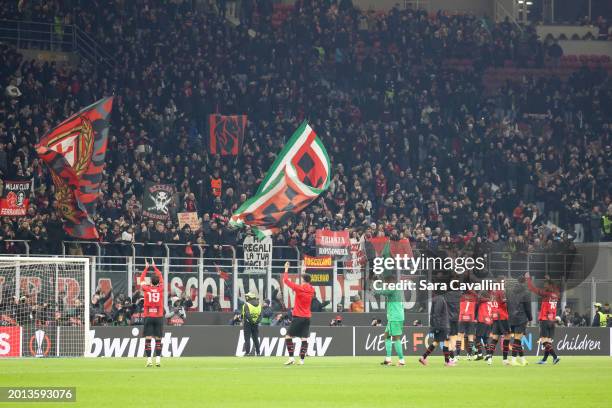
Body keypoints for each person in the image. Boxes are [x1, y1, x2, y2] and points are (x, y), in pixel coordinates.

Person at [282, 261, 314, 366]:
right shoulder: (312, 290)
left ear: (303, 280)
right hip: (307, 317)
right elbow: (306, 283)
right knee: (304, 338)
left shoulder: (299, 288)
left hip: (298, 317)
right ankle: (302, 360)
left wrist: (286, 269)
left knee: (288, 336)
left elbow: (286, 280)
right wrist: (304, 270)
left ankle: (291, 358)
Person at [525, 272, 561, 365]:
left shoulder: (546, 294)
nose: (544, 285)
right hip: (552, 320)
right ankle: (544, 360)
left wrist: (528, 279)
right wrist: (549, 280)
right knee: (548, 341)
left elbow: (532, 288)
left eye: (545, 284)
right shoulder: (556, 294)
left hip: (545, 319)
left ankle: (555, 357)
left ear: (549, 286)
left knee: (544, 341)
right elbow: (554, 286)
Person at [372, 274, 405, 366]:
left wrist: (374, 287)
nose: (386, 284)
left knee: (396, 338)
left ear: (391, 282)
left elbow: (381, 292)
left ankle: (402, 361)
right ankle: (388, 359)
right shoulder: (397, 288)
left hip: (395, 317)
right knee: (386, 335)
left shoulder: (393, 289)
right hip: (395, 317)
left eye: (386, 283)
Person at [419, 289, 455, 367]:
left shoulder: (436, 299)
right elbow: (436, 313)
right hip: (442, 325)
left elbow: (434, 313)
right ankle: (447, 361)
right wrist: (438, 326)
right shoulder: (440, 299)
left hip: (439, 324)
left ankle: (423, 357)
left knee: (436, 342)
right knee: (446, 341)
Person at [139, 259, 164, 367]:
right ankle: (158, 360)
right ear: (158, 282)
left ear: (150, 282)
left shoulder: (146, 288)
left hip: (148, 316)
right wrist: (155, 267)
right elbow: (161, 276)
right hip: (158, 316)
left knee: (148, 338)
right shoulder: (161, 288)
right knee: (158, 338)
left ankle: (149, 360)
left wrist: (146, 268)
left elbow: (141, 279)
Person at [507, 277, 532, 366]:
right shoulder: (526, 293)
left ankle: (523, 359)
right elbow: (528, 308)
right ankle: (513, 360)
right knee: (517, 339)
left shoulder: (510, 291)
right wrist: (530, 318)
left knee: (518, 339)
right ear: (525, 282)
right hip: (521, 317)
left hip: (512, 318)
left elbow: (508, 304)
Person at [486, 276, 511, 365]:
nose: (505, 283)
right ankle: (504, 359)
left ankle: (489, 357)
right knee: (507, 336)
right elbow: (505, 302)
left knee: (495, 338)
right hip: (502, 316)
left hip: (495, 316)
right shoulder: (501, 291)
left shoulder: (493, 292)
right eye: (504, 281)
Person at [456, 289, 478, 360]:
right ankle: (469, 355)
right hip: (471, 318)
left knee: (459, 336)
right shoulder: (474, 297)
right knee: (470, 338)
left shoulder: (461, 297)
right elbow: (477, 296)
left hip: (462, 318)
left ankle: (458, 355)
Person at [241, 292, 262, 356]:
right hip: (256, 324)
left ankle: (247, 353)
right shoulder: (259, 305)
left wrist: (251, 321)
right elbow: (260, 315)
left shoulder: (246, 305)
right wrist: (256, 321)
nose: (246, 298)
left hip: (248, 323)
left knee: (247, 338)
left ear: (249, 297)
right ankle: (258, 353)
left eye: (247, 297)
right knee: (255, 338)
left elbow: (247, 314)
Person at [474, 291, 493, 360]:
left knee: (477, 338)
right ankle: (488, 354)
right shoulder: (490, 303)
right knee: (485, 339)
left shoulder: (481, 302)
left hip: (482, 321)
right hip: (489, 322)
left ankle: (480, 354)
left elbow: (475, 307)